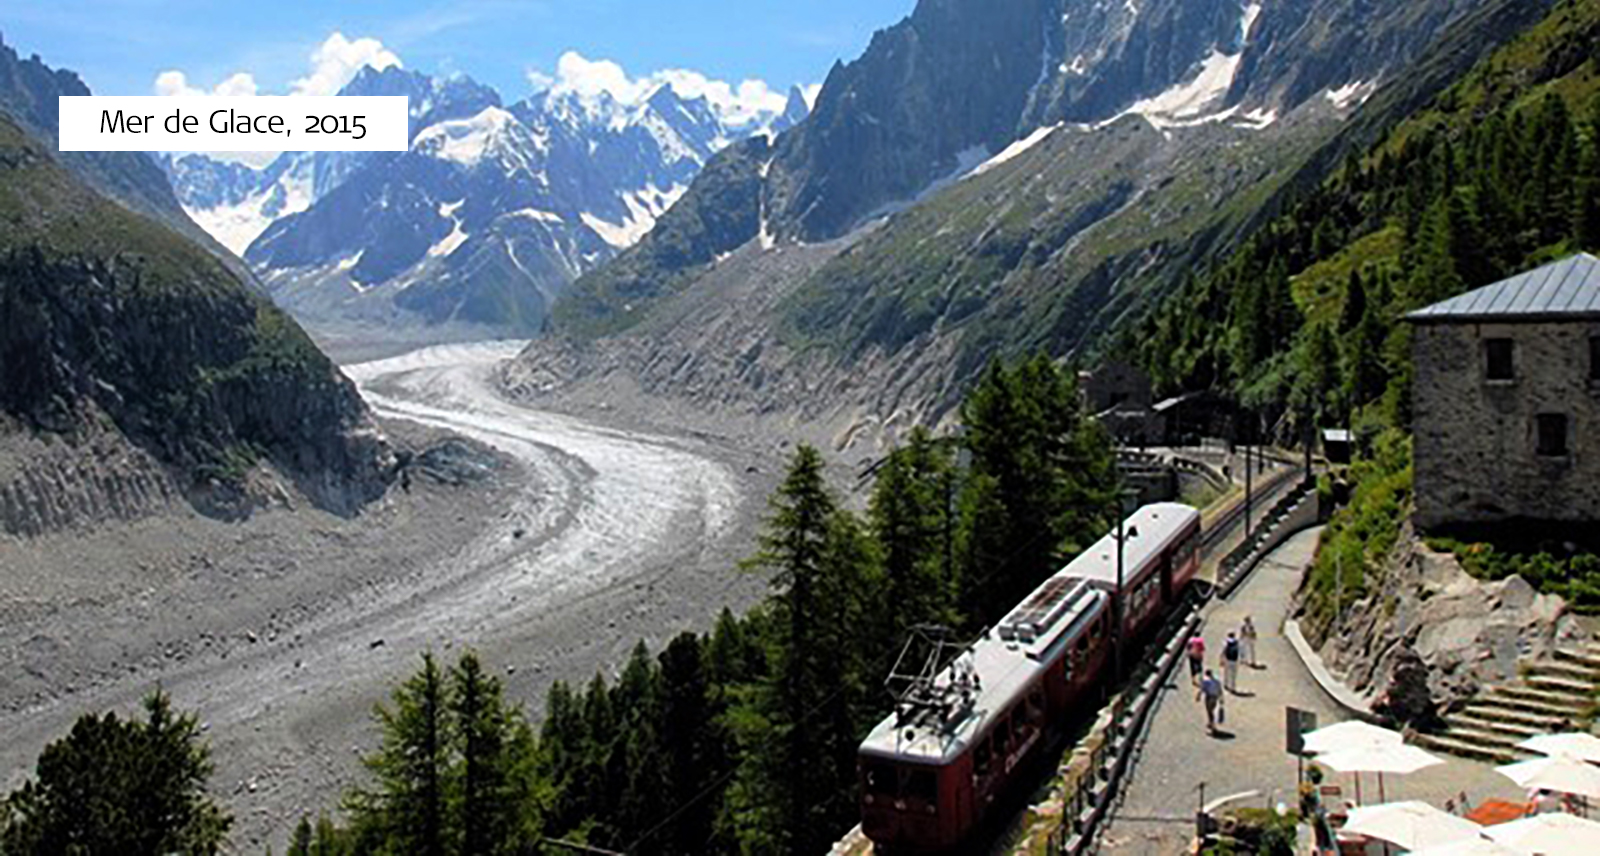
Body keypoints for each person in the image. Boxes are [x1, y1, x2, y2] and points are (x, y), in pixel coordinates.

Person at [1198, 669, 1224, 733]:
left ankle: (1213, 726)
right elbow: (1220, 690)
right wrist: (1221, 699)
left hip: (1209, 697)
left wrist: (1198, 696)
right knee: (1211, 710)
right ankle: (1210, 723)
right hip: (1215, 698)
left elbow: (1202, 689)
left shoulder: (1206, 681)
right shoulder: (1217, 681)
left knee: (1209, 711)